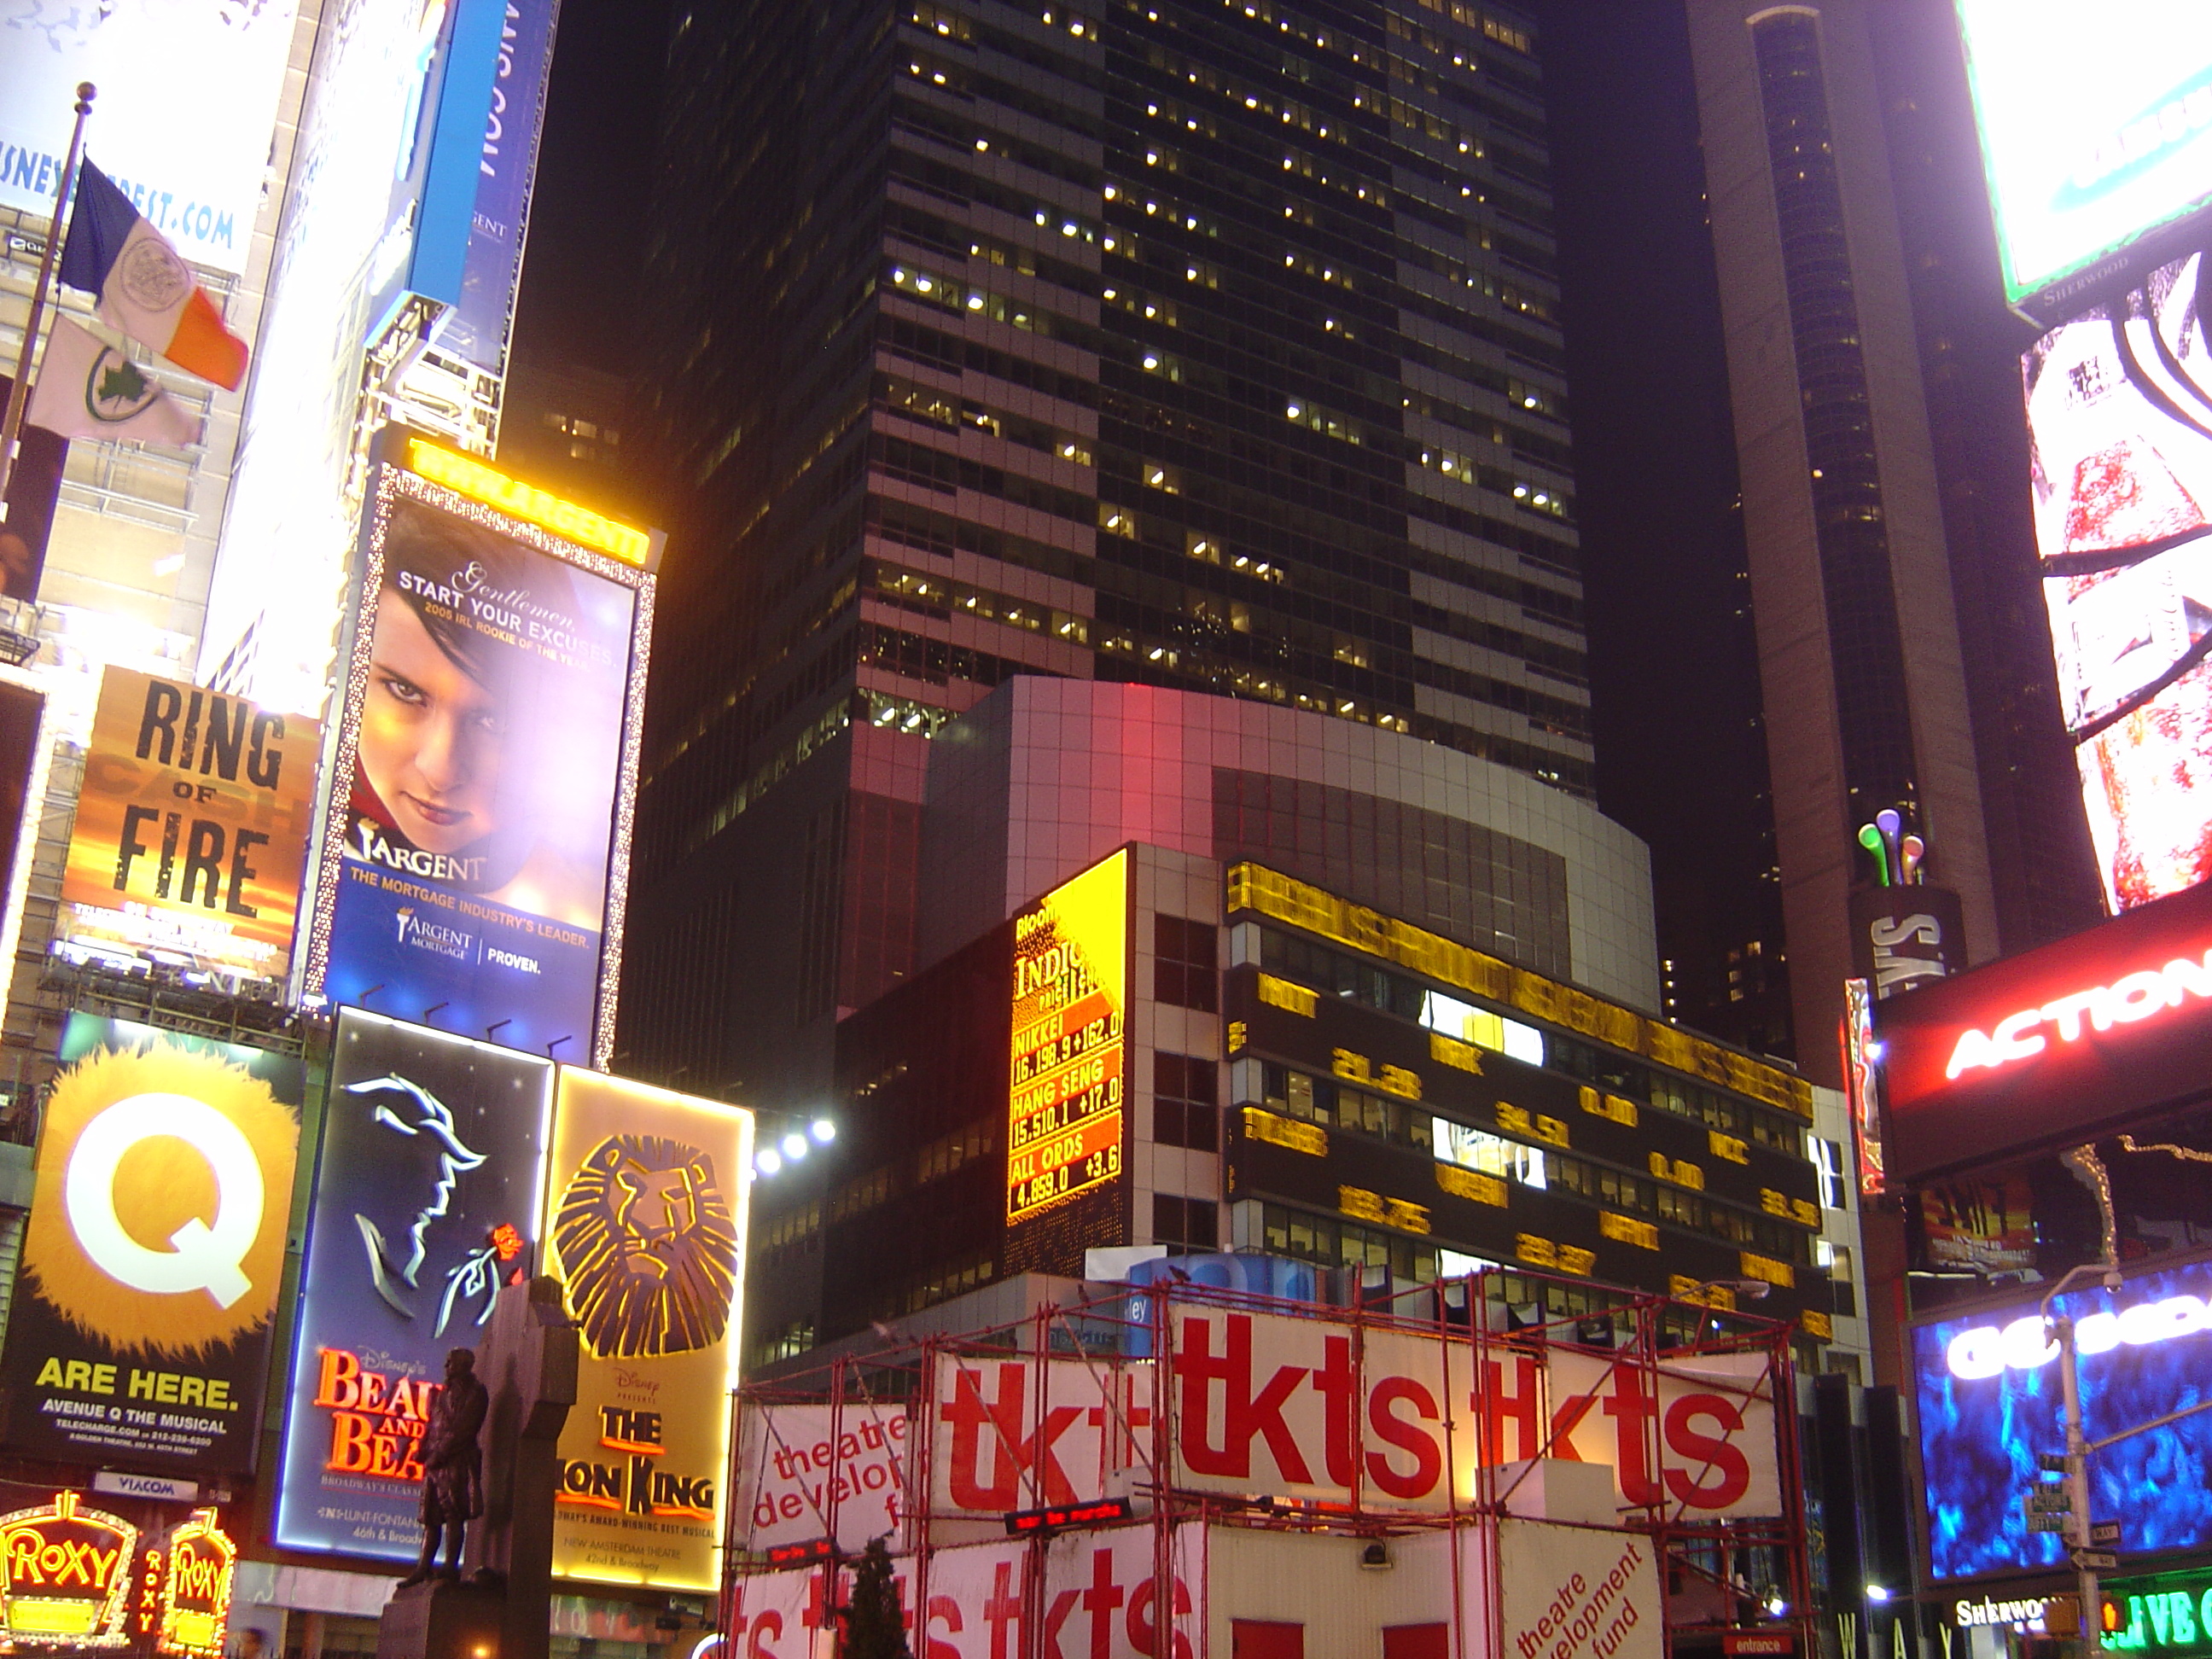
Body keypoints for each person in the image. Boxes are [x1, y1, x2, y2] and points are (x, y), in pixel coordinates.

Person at [351, 503, 607, 925]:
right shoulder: (295, 836)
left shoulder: (581, 916)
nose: (440, 769)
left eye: (495, 722)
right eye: (404, 691)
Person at [399, 1348, 489, 1587]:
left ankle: (450, 1567)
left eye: (451, 1363)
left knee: (454, 1515)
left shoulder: (476, 1392)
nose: (447, 1367)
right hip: (434, 1464)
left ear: (464, 1365)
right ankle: (423, 1567)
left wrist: (440, 1452)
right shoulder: (441, 1394)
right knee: (430, 1517)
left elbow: (465, 1428)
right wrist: (423, 1448)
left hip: (457, 1461)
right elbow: (432, 1424)